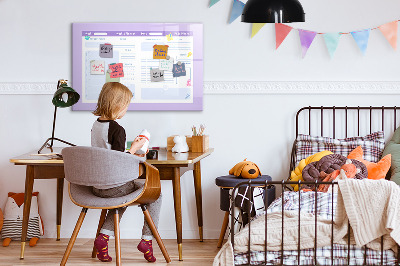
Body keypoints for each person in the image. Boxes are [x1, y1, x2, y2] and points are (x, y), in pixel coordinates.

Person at [91, 82, 161, 263]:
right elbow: (119, 161)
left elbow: (108, 154)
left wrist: (130, 149)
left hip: (97, 186)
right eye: (126, 105)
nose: (126, 109)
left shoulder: (96, 125)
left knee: (121, 197)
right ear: (117, 105)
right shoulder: (117, 129)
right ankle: (147, 240)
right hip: (114, 186)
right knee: (156, 194)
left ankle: (103, 238)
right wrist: (136, 148)